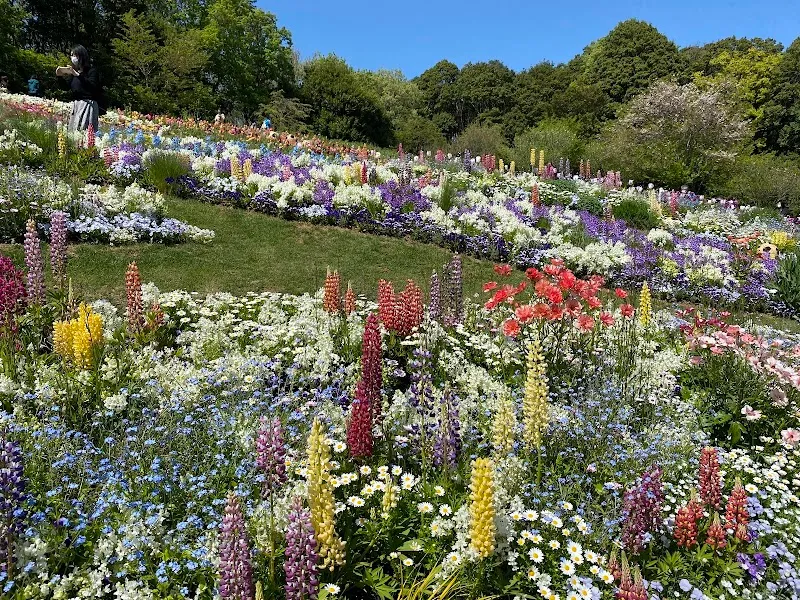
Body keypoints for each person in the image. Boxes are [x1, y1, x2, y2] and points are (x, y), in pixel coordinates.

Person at [55, 45, 100, 132]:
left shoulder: (91, 71)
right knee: (74, 131)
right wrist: (59, 76)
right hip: (76, 104)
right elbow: (65, 88)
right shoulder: (74, 73)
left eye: (75, 55)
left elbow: (92, 87)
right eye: (71, 55)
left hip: (88, 104)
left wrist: (77, 75)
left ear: (81, 56)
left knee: (84, 130)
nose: (72, 58)